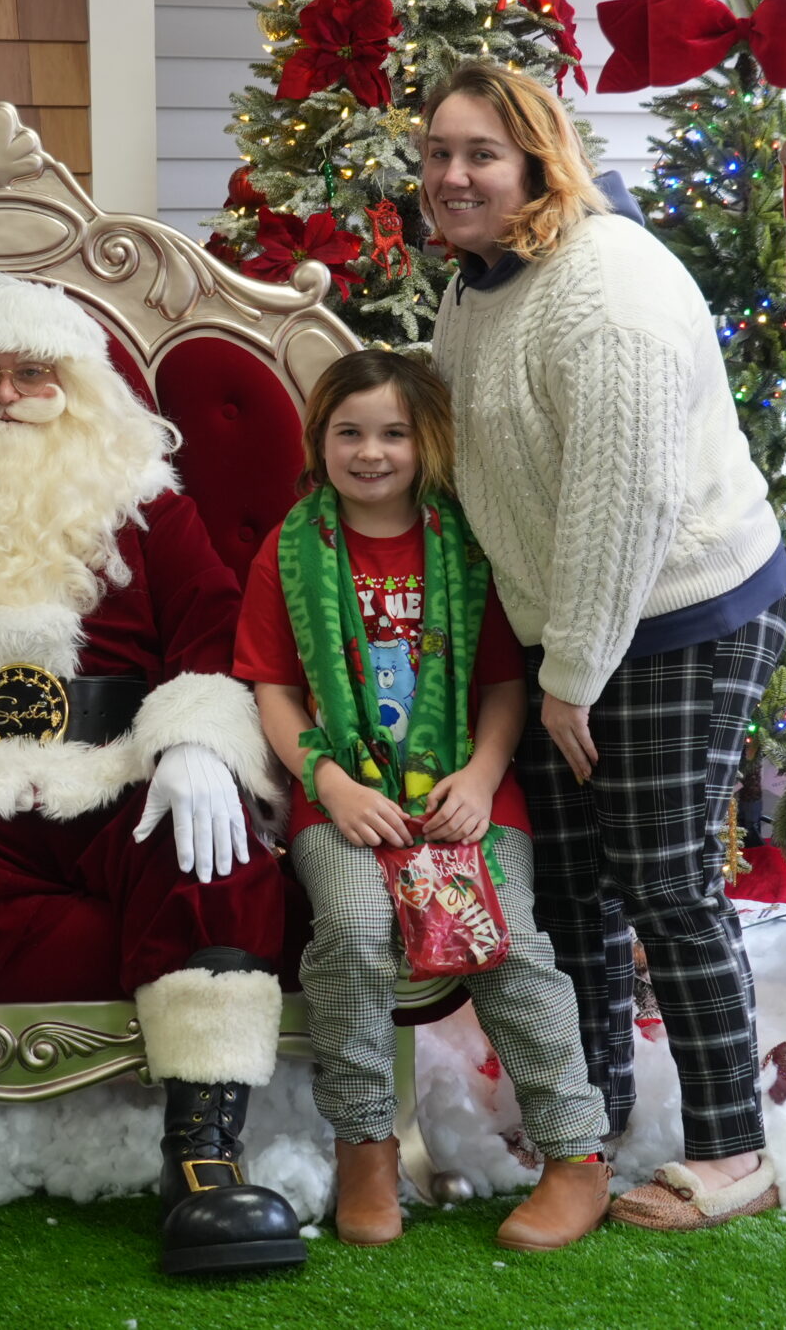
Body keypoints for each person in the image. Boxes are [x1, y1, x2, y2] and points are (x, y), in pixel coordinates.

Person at [0, 274, 303, 1284]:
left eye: (33, 373)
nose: (4, 393)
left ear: (78, 389)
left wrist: (199, 742)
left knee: (208, 851)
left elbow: (214, 637)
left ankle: (203, 1158)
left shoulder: (149, 507)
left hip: (116, 771)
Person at [420, 62, 786, 1231]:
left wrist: (569, 680)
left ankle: (734, 1152)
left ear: (538, 161)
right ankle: (591, 1117)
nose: (452, 175)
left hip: (679, 610)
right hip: (569, 624)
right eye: (437, 152)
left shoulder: (608, 290)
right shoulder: (481, 280)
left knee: (663, 879)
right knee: (572, 888)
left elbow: (619, 506)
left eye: (480, 153)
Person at [234, 348, 611, 1252]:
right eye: (349, 432)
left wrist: (480, 777)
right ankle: (366, 1146)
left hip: (464, 794)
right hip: (342, 797)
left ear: (426, 441)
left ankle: (576, 1155)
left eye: (394, 433)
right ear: (320, 440)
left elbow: (503, 685)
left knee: (509, 942)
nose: (371, 452)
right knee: (353, 931)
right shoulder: (290, 549)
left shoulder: (468, 545)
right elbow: (273, 690)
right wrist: (330, 783)